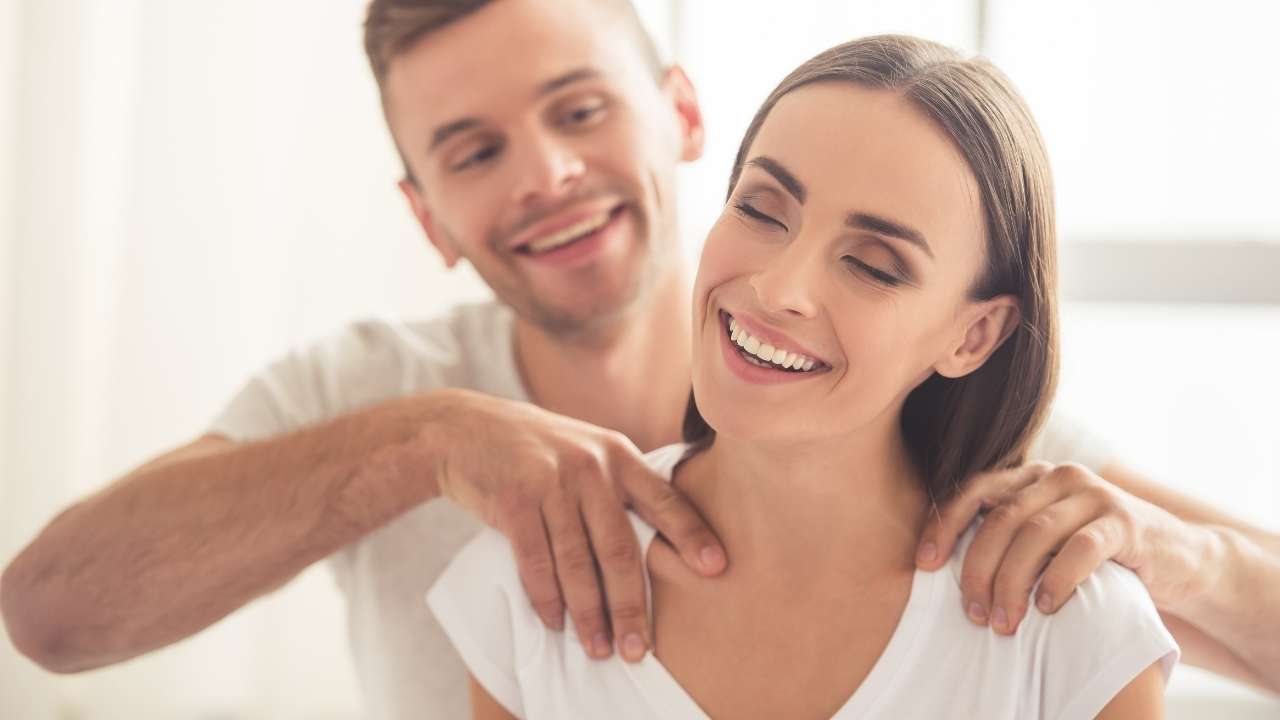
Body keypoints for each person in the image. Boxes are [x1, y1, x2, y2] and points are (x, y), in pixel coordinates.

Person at [0, 1, 1275, 718]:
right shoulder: (367, 403)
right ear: (425, 216)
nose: (546, 174)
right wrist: (422, 446)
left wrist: (1166, 554)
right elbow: (51, 614)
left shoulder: (962, 454)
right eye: (471, 149)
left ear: (676, 114)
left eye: (577, 107)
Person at [427, 33, 1178, 719]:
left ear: (973, 334)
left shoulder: (1076, 631)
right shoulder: (528, 590)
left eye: (872, 264)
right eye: (760, 209)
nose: (778, 288)